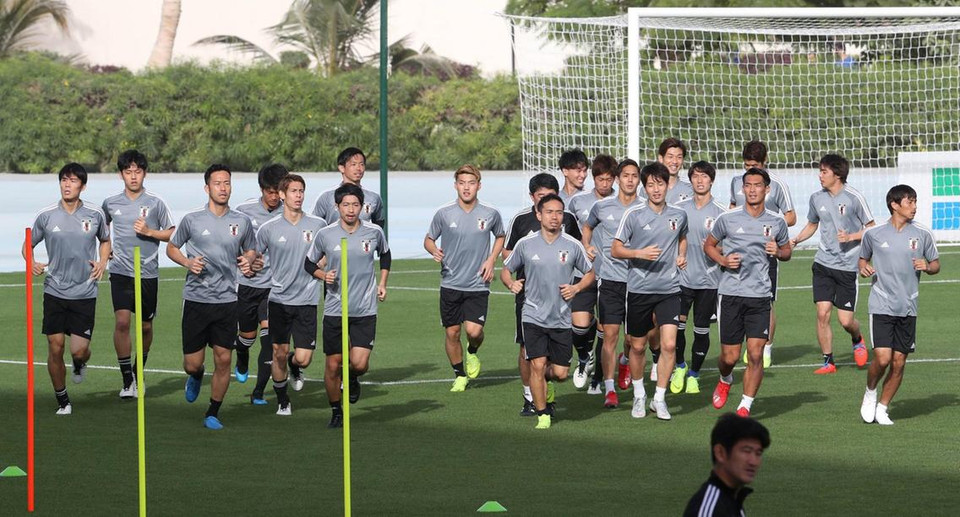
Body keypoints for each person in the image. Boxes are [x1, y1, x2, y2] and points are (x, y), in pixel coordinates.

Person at [166, 164, 257, 430]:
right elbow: (172, 247)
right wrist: (187, 262)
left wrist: (248, 259)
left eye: (227, 183)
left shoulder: (241, 222)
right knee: (193, 363)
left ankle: (213, 412)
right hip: (196, 300)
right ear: (207, 188)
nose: (223, 188)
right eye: (217, 183)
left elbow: (251, 250)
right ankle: (195, 376)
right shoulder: (192, 219)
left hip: (227, 301)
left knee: (224, 358)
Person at [502, 193, 594, 429]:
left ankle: (542, 381)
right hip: (532, 314)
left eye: (559, 212)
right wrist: (510, 283)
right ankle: (542, 413)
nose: (555, 217)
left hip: (562, 317)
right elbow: (505, 269)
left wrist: (576, 287)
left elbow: (591, 273)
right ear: (538, 214)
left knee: (561, 373)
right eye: (550, 212)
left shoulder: (572, 245)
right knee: (537, 364)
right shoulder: (525, 244)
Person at [706, 168, 792, 417]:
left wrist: (778, 251)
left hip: (760, 296)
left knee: (755, 354)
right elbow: (709, 245)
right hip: (731, 294)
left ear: (767, 189)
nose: (752, 189)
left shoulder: (776, 221)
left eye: (757, 185)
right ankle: (725, 378)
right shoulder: (727, 218)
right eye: (748, 185)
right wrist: (723, 261)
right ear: (742, 189)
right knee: (729, 357)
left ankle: (745, 405)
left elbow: (787, 252)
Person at [25, 163, 110, 415]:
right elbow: (27, 243)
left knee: (79, 350)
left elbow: (105, 241)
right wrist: (31, 262)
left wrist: (103, 262)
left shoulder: (95, 214)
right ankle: (63, 400)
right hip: (55, 290)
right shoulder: (46, 215)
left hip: (85, 292)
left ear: (82, 186)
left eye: (73, 181)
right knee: (55, 346)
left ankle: (79, 363)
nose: (67, 184)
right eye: (64, 180)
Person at [307, 183, 390, 429]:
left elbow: (385, 255)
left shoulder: (374, 232)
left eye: (355, 205)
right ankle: (336, 411)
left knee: (360, 363)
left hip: (365, 309)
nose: (351, 209)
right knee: (333, 364)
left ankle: (353, 378)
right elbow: (309, 264)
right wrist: (323, 276)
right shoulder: (325, 234)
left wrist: (383, 283)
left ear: (362, 207)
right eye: (346, 205)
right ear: (337, 206)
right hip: (335, 309)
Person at [612, 162, 688, 420]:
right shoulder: (633, 215)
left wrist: (682, 255)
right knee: (637, 347)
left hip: (669, 289)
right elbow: (615, 249)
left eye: (661, 183)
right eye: (651, 184)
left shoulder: (678, 215)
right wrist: (638, 253)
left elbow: (683, 237)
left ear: (668, 185)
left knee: (669, 344)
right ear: (645, 188)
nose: (656, 189)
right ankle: (639, 395)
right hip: (639, 290)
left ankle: (659, 398)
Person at [858, 185, 940, 426]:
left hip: (908, 305)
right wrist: (863, 268)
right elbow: (862, 260)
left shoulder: (923, 233)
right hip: (881, 304)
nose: (915, 207)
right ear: (895, 205)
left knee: (899, 362)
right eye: (910, 202)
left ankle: (883, 407)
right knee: (882, 359)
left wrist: (928, 266)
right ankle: (870, 392)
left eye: (915, 202)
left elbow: (936, 264)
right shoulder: (874, 234)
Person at [789, 154, 874, 374]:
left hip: (847, 266)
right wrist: (797, 239)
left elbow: (872, 228)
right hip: (823, 264)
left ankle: (857, 338)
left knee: (846, 321)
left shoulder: (855, 197)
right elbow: (812, 224)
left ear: (837, 174)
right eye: (820, 171)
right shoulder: (816, 198)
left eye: (824, 171)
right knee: (822, 312)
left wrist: (852, 236)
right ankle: (828, 361)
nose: (820, 176)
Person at [424, 165, 505, 392]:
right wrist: (434, 250)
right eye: (462, 183)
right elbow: (429, 239)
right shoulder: (444, 213)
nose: (466, 187)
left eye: (471, 183)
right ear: (455, 186)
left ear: (479, 185)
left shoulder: (490, 213)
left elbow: (500, 236)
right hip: (450, 282)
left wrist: (491, 260)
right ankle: (460, 374)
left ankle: (471, 352)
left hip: (478, 282)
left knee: (474, 332)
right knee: (452, 332)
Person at [102, 150, 175, 399]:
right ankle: (126, 380)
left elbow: (171, 232)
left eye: (138, 171)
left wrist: (150, 232)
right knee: (122, 322)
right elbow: (102, 229)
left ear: (144, 173)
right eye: (128, 172)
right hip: (121, 271)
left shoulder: (155, 203)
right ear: (121, 174)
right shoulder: (111, 203)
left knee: (144, 327)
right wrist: (107, 249)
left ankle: (138, 373)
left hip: (147, 273)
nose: (133, 176)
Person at [253, 174, 326, 415]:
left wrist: (321, 265)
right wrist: (250, 263)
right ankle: (283, 400)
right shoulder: (269, 228)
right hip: (279, 302)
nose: (298, 195)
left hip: (307, 301)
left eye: (301, 191)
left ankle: (296, 367)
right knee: (279, 353)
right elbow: (255, 254)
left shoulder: (317, 225)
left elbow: (326, 253)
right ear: (282, 195)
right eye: (293, 191)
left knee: (303, 358)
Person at [581, 159, 644, 406]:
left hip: (639, 283)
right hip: (609, 280)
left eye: (634, 176)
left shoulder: (646, 207)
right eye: (625, 175)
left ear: (639, 180)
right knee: (610, 335)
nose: (630, 180)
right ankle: (609, 389)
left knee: (633, 341)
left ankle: (625, 362)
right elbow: (587, 228)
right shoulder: (602, 206)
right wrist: (587, 246)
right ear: (618, 179)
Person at [730, 141, 796, 368]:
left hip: (766, 253)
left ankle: (766, 347)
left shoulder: (776, 185)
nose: (750, 169)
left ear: (764, 162)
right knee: (737, 297)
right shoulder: (737, 182)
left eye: (755, 164)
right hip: (739, 252)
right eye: (747, 165)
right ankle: (743, 343)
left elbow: (791, 217)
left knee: (766, 300)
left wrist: (767, 228)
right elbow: (732, 209)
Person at [234, 164, 286, 404]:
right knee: (247, 336)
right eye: (270, 191)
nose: (275, 197)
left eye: (279, 191)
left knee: (271, 340)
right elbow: (231, 242)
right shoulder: (244, 211)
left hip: (273, 288)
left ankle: (258, 392)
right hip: (245, 285)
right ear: (262, 189)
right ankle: (242, 354)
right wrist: (244, 260)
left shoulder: (290, 214)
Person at [672, 161, 725, 395]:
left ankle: (694, 374)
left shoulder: (721, 213)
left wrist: (716, 251)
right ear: (690, 180)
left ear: (711, 180)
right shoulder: (678, 209)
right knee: (676, 328)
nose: (700, 180)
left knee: (701, 330)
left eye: (704, 177)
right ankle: (680, 366)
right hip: (680, 279)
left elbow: (729, 246)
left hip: (708, 281)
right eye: (695, 176)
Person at [567, 154, 617, 389]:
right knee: (579, 324)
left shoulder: (622, 202)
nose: (604, 184)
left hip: (612, 274)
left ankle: (597, 378)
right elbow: (567, 233)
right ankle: (584, 357)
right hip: (584, 272)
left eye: (609, 179)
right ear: (593, 178)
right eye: (600, 179)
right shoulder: (577, 201)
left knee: (605, 331)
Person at [684, 413, 770, 517]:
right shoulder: (709, 510)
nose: (753, 462)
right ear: (720, 453)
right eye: (746, 451)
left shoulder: (733, 500)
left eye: (758, 453)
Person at [311, 147, 385, 228]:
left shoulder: (373, 198)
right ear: (341, 168)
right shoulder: (326, 196)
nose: (358, 168)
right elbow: (314, 223)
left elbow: (378, 226)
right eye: (353, 164)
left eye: (361, 164)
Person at [657, 137, 695, 204]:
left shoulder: (691, 188)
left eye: (679, 157)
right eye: (670, 157)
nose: (675, 161)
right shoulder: (647, 188)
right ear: (660, 158)